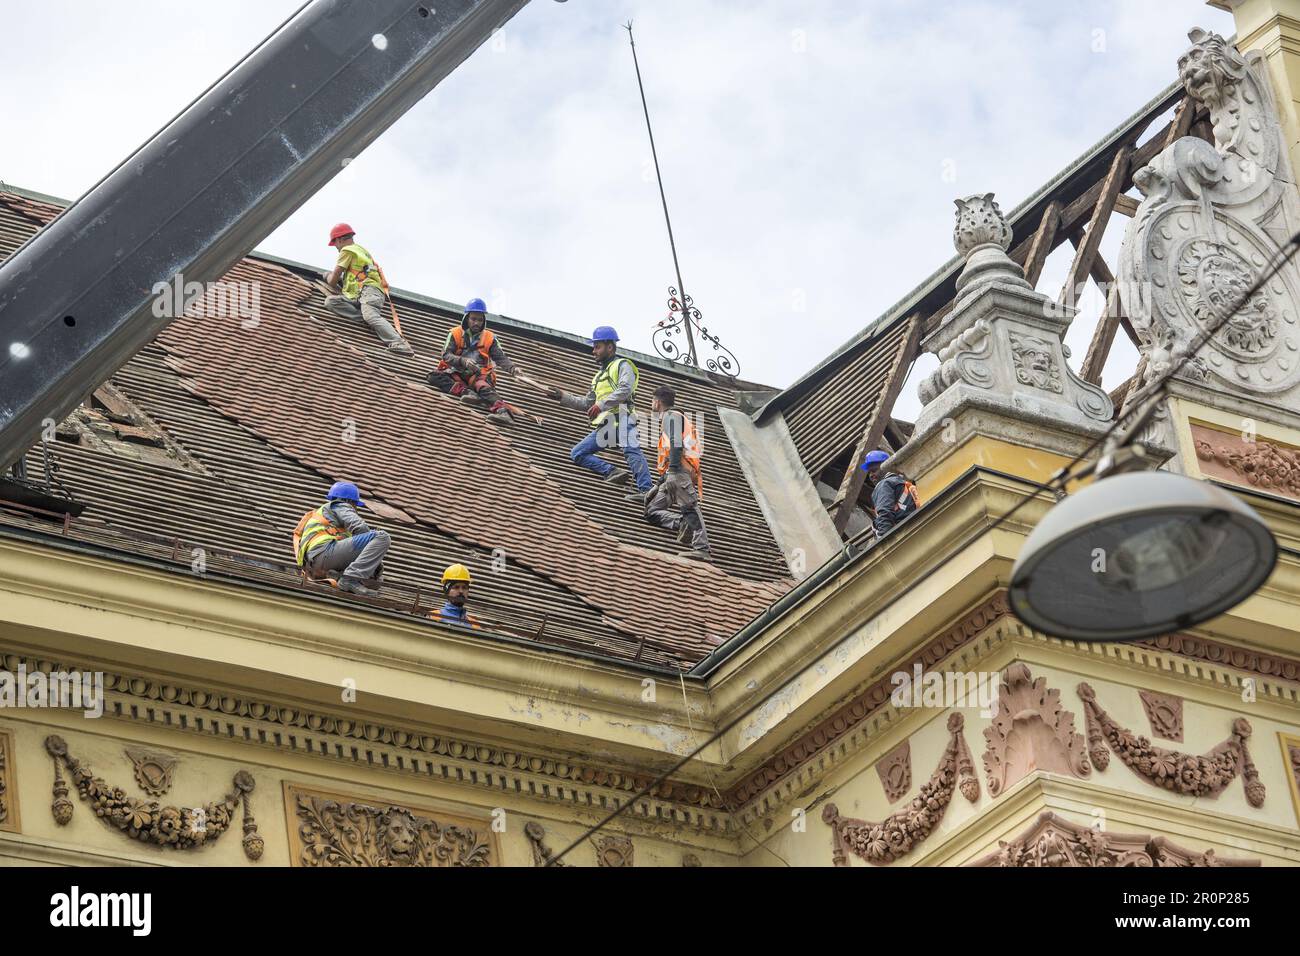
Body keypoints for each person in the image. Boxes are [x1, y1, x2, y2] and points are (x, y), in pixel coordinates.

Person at [546, 326, 653, 493]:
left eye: (597, 347)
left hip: (623, 418)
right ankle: (612, 471)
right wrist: (562, 397)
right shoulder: (598, 377)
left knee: (631, 451)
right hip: (608, 425)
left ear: (610, 347)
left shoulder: (622, 365)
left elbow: (625, 390)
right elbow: (588, 403)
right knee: (578, 453)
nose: (593, 351)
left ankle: (646, 491)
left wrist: (601, 405)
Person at [630, 385, 710, 560]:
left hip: (678, 473)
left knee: (689, 507)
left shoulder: (671, 417)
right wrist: (659, 483)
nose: (652, 404)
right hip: (673, 474)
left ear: (657, 402)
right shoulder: (674, 418)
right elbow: (669, 455)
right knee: (651, 511)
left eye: (652, 400)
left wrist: (672, 472)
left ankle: (702, 548)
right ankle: (682, 523)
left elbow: (676, 443)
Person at [321, 223, 413, 355]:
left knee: (371, 315)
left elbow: (334, 279)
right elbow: (353, 277)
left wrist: (327, 276)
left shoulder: (347, 251)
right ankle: (365, 319)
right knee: (331, 302)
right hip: (357, 294)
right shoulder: (360, 251)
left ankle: (399, 343)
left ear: (339, 239)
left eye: (335, 243)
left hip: (369, 291)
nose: (335, 247)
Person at [427, 298, 518, 425]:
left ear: (484, 321)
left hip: (479, 375)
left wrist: (512, 369)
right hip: (457, 373)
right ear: (467, 318)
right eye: (473, 319)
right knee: (433, 376)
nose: (477, 323)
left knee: (483, 387)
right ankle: (467, 393)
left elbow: (501, 358)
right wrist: (462, 361)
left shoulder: (490, 338)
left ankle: (504, 413)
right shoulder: (455, 333)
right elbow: (446, 356)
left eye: (480, 320)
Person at [293, 481, 391, 596]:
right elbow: (360, 527)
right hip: (324, 553)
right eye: (355, 505)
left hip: (315, 565)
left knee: (375, 577)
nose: (354, 508)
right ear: (350, 502)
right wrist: (370, 553)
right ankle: (349, 579)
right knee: (382, 537)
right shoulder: (339, 505)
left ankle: (340, 576)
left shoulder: (328, 518)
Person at [861, 450, 920, 539]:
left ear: (887, 467)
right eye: (869, 472)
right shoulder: (903, 483)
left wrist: (885, 541)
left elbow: (885, 512)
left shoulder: (884, 484)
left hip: (903, 533)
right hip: (915, 525)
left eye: (874, 470)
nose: (871, 475)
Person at [435, 564, 479, 628]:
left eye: (464, 587)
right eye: (456, 587)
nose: (461, 591)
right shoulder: (434, 617)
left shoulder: (475, 625)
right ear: (447, 591)